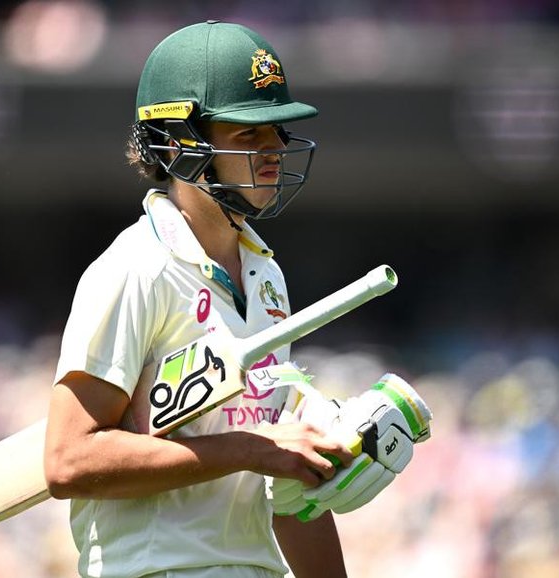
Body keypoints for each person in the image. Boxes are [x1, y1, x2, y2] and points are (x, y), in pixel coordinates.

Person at [44, 20, 432, 578]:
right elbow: (68, 459)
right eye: (249, 134)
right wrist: (253, 447)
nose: (275, 150)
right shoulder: (135, 269)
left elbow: (284, 499)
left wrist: (303, 459)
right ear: (180, 143)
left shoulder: (267, 275)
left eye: (276, 131)